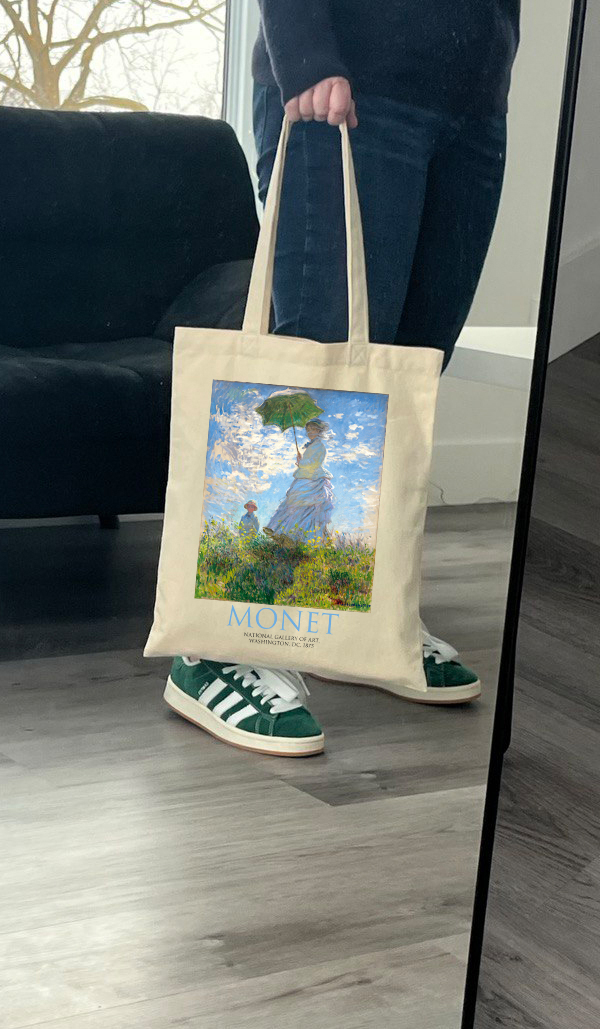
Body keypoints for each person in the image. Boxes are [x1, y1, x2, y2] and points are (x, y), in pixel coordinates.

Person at [165, 1, 518, 755]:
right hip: (348, 81)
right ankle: (217, 649)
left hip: (473, 100)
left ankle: (356, 624)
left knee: (408, 375)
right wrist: (305, 54)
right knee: (316, 371)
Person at [265, 420, 333, 543]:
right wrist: (301, 461)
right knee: (293, 503)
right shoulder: (311, 446)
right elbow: (307, 462)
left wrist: (301, 462)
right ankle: (280, 530)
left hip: (313, 479)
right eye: (308, 430)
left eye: (313, 429)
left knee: (306, 508)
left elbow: (314, 463)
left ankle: (296, 536)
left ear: (319, 431)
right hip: (304, 476)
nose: (310, 432)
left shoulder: (319, 447)